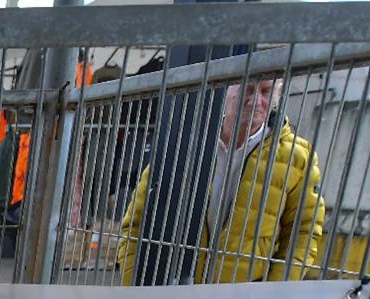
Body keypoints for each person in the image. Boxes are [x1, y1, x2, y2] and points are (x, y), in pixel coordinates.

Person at [118, 77, 324, 284]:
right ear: (225, 92)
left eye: (266, 91)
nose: (255, 101)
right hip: (174, 289)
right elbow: (135, 222)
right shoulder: (184, 145)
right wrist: (134, 288)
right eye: (248, 90)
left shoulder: (298, 157)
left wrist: (269, 294)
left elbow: (303, 232)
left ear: (277, 97)